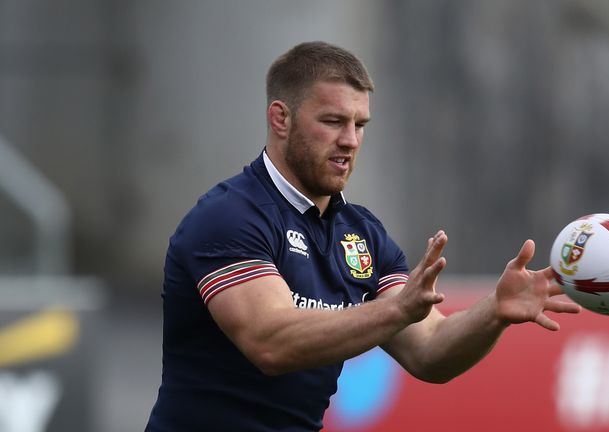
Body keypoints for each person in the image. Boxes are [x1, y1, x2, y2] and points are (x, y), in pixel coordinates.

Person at [145, 41, 581, 432]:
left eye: (360, 124)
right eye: (333, 121)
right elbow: (270, 342)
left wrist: (495, 312)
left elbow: (429, 351)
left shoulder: (362, 234)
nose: (351, 140)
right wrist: (396, 310)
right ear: (280, 119)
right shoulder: (229, 216)